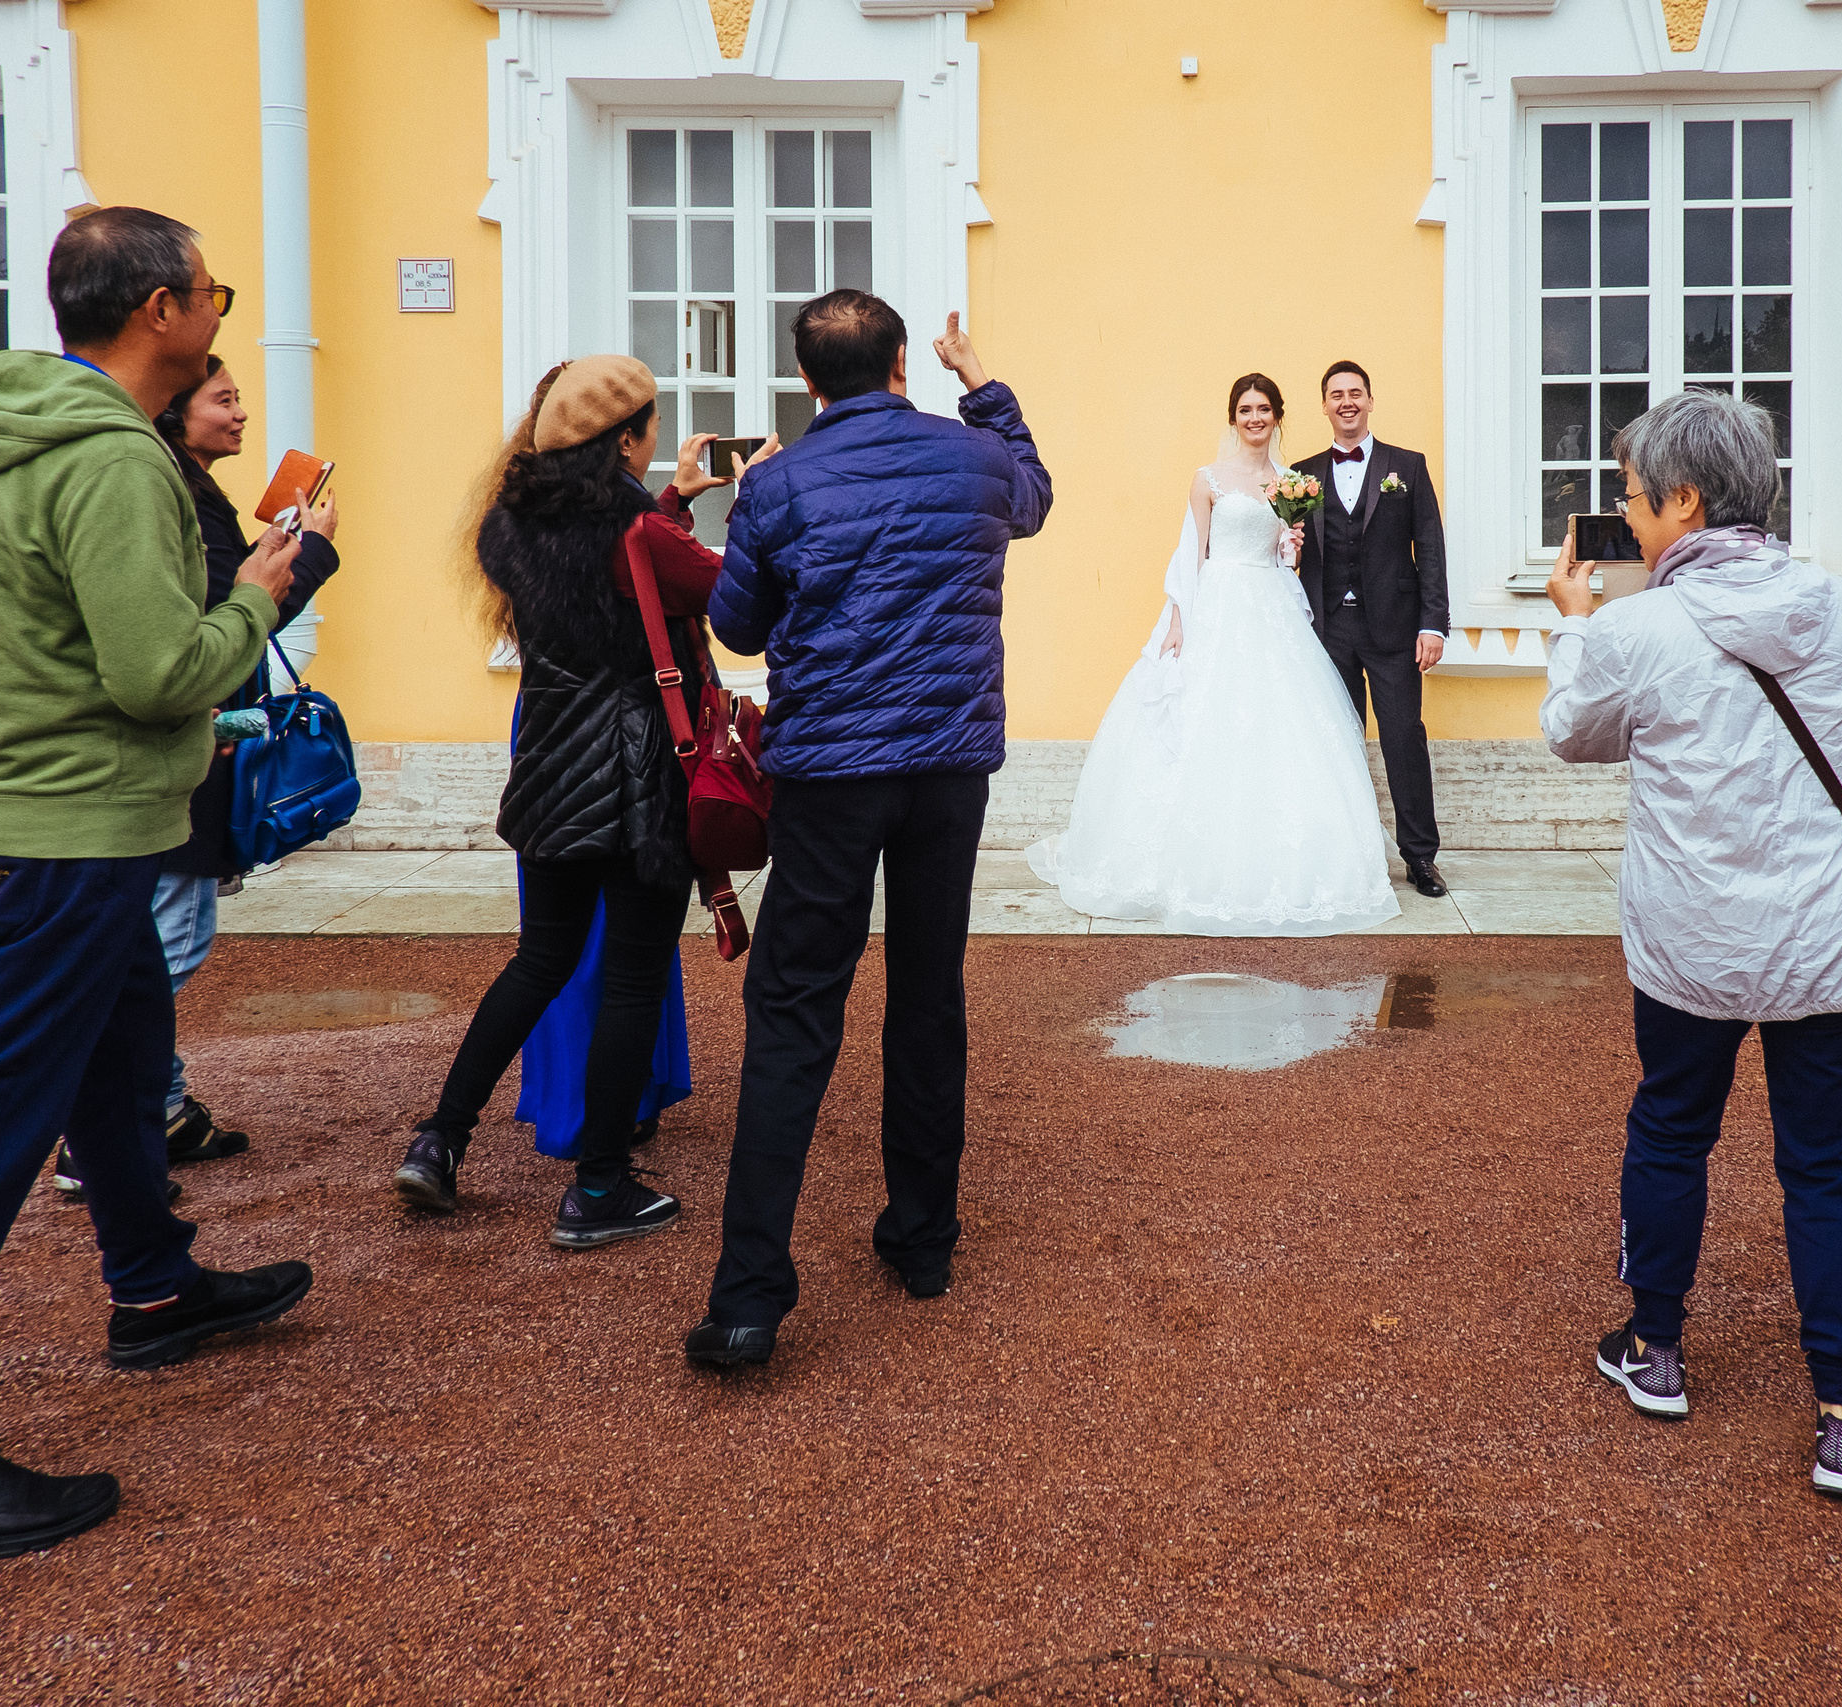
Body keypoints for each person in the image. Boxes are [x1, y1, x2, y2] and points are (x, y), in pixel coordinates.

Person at [0, 208, 315, 1579]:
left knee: (123, 1053)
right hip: (76, 823)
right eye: (211, 292)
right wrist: (269, 587)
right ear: (164, 308)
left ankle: (156, 1284)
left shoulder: (13, 427)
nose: (219, 314)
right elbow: (163, 673)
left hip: (36, 807)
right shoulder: (114, 459)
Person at [1537, 388, 1842, 1501]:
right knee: (1830, 1164)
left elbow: (1575, 735)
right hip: (1825, 937)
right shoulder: (1836, 606)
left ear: (1687, 503)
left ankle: (1654, 1346)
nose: (1628, 517)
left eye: (1636, 500)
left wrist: (1573, 621)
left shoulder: (1635, 628)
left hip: (1692, 937)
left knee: (1669, 1129)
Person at [686, 296, 1052, 1369]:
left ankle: (751, 1294)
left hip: (833, 774)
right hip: (945, 766)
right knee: (928, 990)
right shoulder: (974, 458)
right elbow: (1032, 494)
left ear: (808, 383)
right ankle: (922, 1241)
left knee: (795, 1012)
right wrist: (979, 376)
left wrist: (749, 515)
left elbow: (738, 625)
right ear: (902, 365)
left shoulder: (781, 484)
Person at [389, 354, 750, 1251]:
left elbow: (613, 575)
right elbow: (728, 598)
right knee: (630, 977)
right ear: (626, 438)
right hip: (638, 783)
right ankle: (597, 1186)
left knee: (538, 963)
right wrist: (748, 505)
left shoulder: (508, 525)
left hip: (551, 769)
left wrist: (665, 504)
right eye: (651, 423)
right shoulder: (644, 534)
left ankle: (440, 1138)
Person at [49, 354, 342, 1199]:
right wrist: (310, 552)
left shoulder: (187, 489)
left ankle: (162, 1109)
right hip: (177, 752)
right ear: (177, 413)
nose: (242, 413)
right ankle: (99, 1131)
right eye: (224, 399)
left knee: (163, 940)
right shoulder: (165, 491)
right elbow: (229, 623)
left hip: (194, 740)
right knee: (162, 949)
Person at [1025, 374, 1399, 934]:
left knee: (1278, 730)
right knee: (1204, 722)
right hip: (1218, 604)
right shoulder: (1207, 480)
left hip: (1270, 607)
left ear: (1278, 417)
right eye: (1246, 409)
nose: (1255, 419)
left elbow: (1284, 560)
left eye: (1265, 409)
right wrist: (1178, 621)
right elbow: (1190, 554)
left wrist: (1287, 547)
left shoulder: (1292, 483)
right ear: (1233, 417)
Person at [1289, 361, 1453, 898]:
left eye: (1355, 393)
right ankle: (1343, 856)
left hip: (1395, 628)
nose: (1346, 402)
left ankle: (1420, 857)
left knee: (1404, 736)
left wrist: (1433, 623)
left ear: (1370, 400)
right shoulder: (1301, 472)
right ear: (1324, 405)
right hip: (1327, 625)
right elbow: (1287, 551)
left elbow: (1429, 546)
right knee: (1335, 742)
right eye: (1336, 395)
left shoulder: (1407, 464)